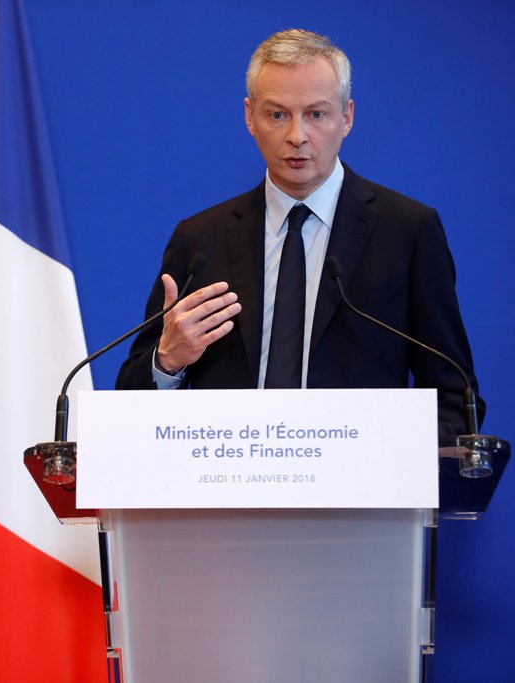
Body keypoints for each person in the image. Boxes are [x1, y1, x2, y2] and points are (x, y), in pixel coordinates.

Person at [115, 29, 484, 439]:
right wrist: (168, 361)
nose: (297, 136)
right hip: (227, 483)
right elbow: (130, 400)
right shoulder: (200, 238)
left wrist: (418, 475)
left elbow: (455, 392)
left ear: (347, 117)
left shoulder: (407, 231)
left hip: (360, 489)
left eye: (316, 114)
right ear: (249, 117)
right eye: (277, 114)